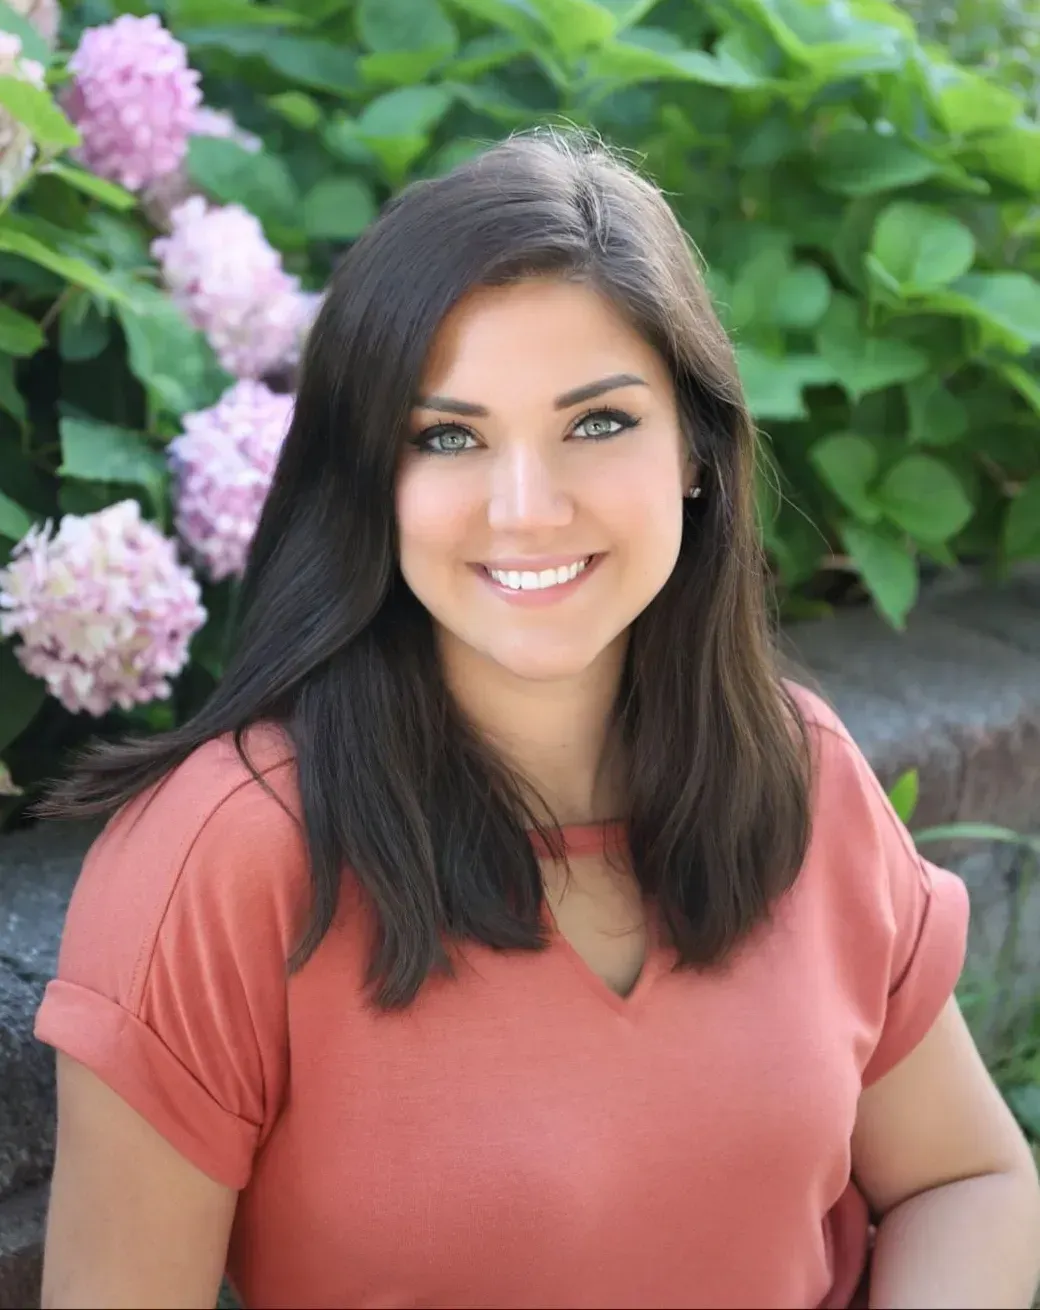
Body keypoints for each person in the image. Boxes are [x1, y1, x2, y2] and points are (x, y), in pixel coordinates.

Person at [33, 129, 1040, 1310]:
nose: (526, 507)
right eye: (447, 435)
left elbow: (963, 1175)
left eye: (598, 421)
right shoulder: (225, 856)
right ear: (368, 477)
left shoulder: (795, 769)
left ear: (696, 453)